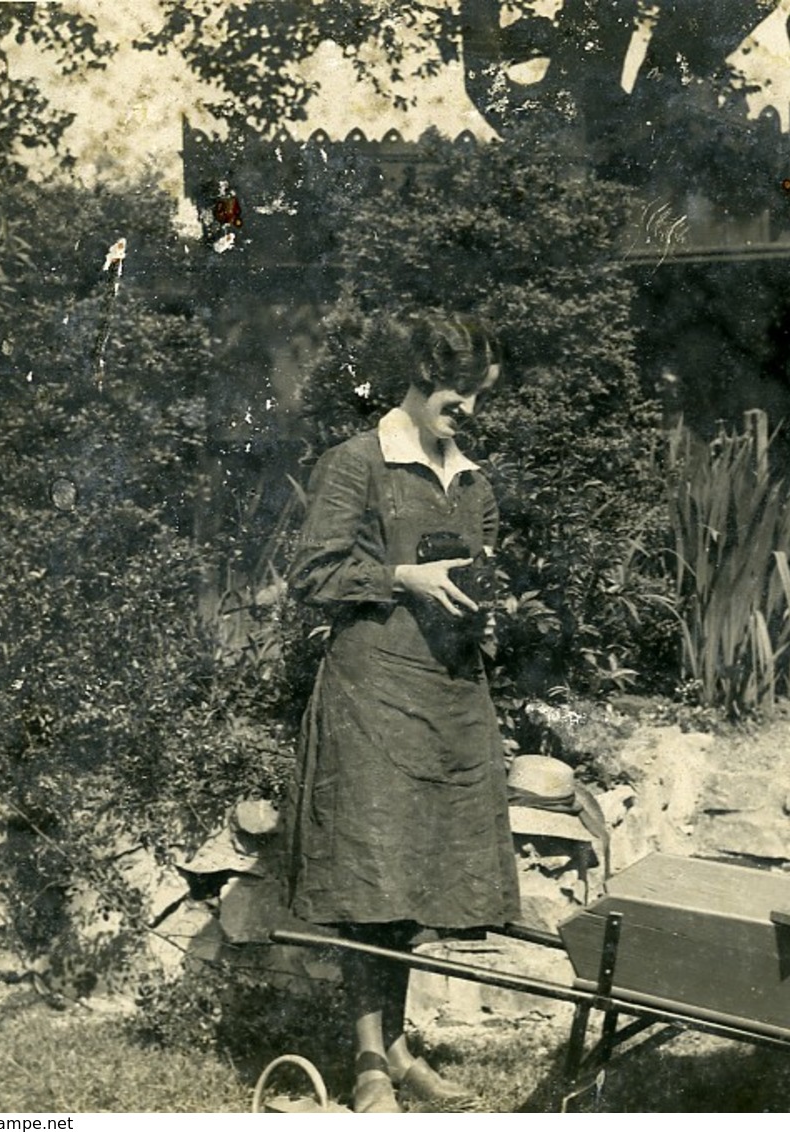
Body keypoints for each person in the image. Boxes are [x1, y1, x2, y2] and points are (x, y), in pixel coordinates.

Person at [285, 312, 519, 1113]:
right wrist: (403, 580)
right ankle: (367, 1064)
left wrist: (491, 611)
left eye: (479, 398)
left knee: (416, 879)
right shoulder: (357, 463)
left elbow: (479, 570)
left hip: (450, 696)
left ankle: (400, 1045)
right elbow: (313, 571)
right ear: (420, 379)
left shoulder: (474, 481)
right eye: (460, 397)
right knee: (371, 878)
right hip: (373, 693)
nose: (471, 412)